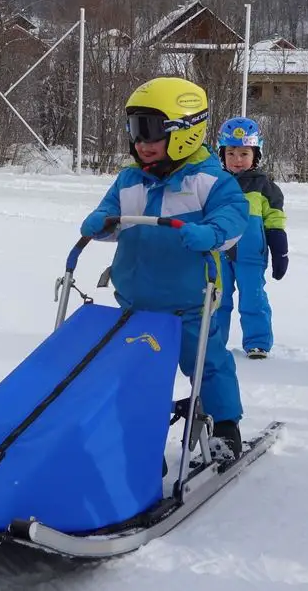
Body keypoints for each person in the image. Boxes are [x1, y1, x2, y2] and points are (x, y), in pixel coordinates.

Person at [79, 77, 249, 459]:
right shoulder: (129, 179)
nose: (141, 142)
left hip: (189, 300)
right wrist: (101, 221)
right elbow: (112, 214)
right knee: (139, 374)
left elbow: (235, 217)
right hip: (136, 300)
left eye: (151, 131)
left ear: (185, 131)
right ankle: (140, 437)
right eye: (135, 130)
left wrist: (212, 232)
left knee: (206, 364)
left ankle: (225, 425)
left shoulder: (209, 180)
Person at [213, 116, 289, 360]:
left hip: (251, 254)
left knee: (253, 299)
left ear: (256, 155)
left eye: (244, 153)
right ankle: (213, 341)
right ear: (222, 154)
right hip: (218, 254)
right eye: (231, 153)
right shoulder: (213, 184)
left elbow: (275, 222)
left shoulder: (265, 187)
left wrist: (280, 250)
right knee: (217, 299)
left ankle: (257, 343)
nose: (237, 160)